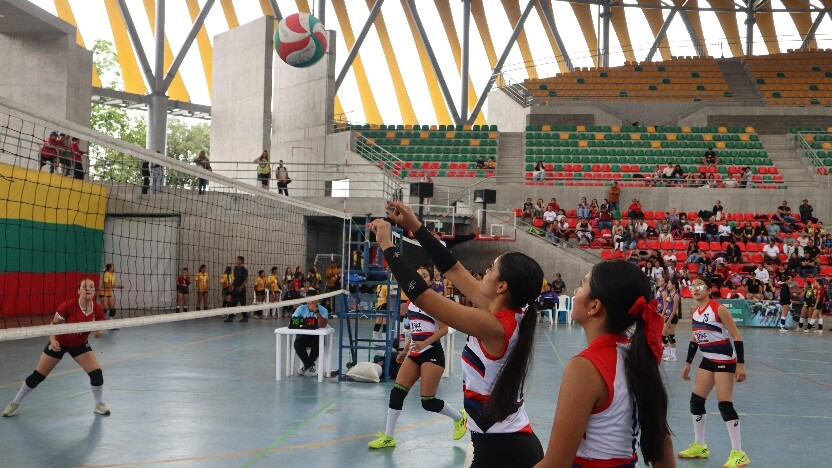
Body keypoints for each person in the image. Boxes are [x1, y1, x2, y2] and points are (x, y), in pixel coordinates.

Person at [372, 201, 545, 467]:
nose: (483, 273)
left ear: (502, 286)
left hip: (506, 450)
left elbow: (426, 298)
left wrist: (387, 246)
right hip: (498, 444)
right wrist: (414, 226)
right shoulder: (501, 312)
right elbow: (453, 269)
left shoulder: (495, 326)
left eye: (490, 269)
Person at [535, 261, 674, 467]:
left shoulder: (585, 368)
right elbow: (664, 446)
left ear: (594, 306)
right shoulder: (635, 355)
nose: (575, 291)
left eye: (582, 285)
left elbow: (556, 464)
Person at [368, 266, 467, 449]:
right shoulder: (411, 302)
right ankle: (389, 437)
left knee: (427, 402)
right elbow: (415, 331)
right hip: (414, 353)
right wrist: (405, 351)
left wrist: (425, 343)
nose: (420, 278)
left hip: (432, 354)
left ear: (430, 281)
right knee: (397, 392)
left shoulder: (435, 302)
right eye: (418, 275)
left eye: (424, 276)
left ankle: (460, 418)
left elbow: (444, 328)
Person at [3, 279, 111, 417]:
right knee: (38, 376)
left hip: (80, 344)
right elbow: (53, 325)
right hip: (60, 343)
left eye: (92, 287)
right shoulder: (68, 305)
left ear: (95, 291)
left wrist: (99, 333)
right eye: (85, 287)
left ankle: (98, 404)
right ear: (79, 291)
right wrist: (52, 340)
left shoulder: (98, 309)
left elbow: (99, 332)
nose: (89, 289)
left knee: (96, 374)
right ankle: (15, 403)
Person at [679, 277, 748, 468]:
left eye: (699, 285)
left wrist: (740, 365)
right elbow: (695, 339)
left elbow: (737, 336)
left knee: (725, 405)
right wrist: (687, 363)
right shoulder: (695, 312)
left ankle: (739, 453)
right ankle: (700, 446)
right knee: (696, 401)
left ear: (709, 290)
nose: (695, 289)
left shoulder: (718, 308)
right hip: (708, 358)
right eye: (692, 286)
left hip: (725, 359)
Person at [292, 299, 329, 376]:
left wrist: (316, 312)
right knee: (297, 343)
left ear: (318, 301)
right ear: (307, 301)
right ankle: (309, 366)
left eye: (314, 301)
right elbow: (293, 321)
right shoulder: (301, 308)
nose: (312, 303)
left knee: (319, 343)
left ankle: (306, 366)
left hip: (316, 337)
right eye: (310, 301)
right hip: (303, 336)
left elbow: (323, 325)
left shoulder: (323, 310)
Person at [224, 256, 249, 322]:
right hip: (235, 289)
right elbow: (235, 278)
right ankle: (230, 317)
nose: (237, 261)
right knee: (232, 303)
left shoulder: (244, 270)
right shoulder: (235, 269)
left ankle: (245, 317)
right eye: (237, 260)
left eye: (239, 260)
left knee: (243, 304)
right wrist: (231, 285)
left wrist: (241, 287)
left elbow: (246, 280)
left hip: (241, 290)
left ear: (242, 261)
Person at [662, 279, 682, 362]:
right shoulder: (669, 294)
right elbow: (666, 306)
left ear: (674, 285)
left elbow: (674, 310)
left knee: (671, 336)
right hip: (667, 317)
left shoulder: (676, 295)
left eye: (669, 283)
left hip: (672, 318)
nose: (668, 284)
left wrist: (669, 319)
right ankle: (666, 353)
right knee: (663, 336)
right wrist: (662, 315)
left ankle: (673, 355)